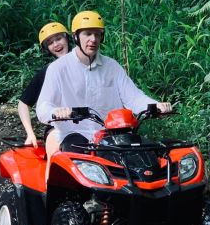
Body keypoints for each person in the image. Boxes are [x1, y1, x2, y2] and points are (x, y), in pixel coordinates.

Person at [36, 10, 171, 158]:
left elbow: (134, 98)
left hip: (112, 135)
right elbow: (43, 107)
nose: (93, 39)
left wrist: (156, 106)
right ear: (75, 37)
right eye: (87, 34)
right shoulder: (58, 68)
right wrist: (56, 112)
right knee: (77, 164)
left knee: (149, 159)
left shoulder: (112, 66)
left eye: (98, 34)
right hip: (75, 135)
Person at [17, 22, 71, 147]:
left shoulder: (86, 63)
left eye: (58, 39)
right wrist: (30, 133)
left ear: (67, 38)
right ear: (47, 49)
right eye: (50, 43)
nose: (56, 44)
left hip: (90, 124)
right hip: (58, 127)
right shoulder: (48, 71)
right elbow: (23, 103)